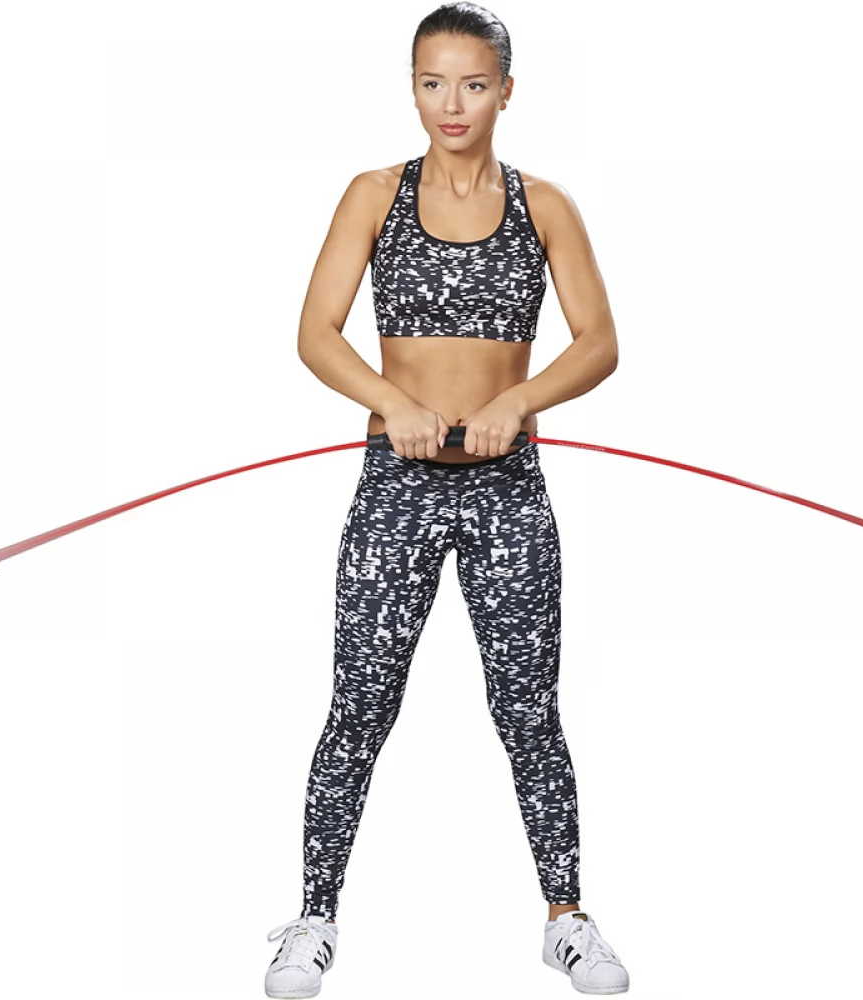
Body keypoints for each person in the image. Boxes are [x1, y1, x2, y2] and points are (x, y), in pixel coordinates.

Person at [265, 4, 627, 996]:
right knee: (359, 702)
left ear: (506, 90)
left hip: (508, 491)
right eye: (432, 83)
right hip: (397, 486)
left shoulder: (544, 205)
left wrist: (519, 401)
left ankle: (566, 919)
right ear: (412, 86)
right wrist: (392, 403)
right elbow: (316, 332)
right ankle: (313, 918)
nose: (451, 104)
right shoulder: (373, 195)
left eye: (472, 84)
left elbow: (598, 341)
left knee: (528, 708)